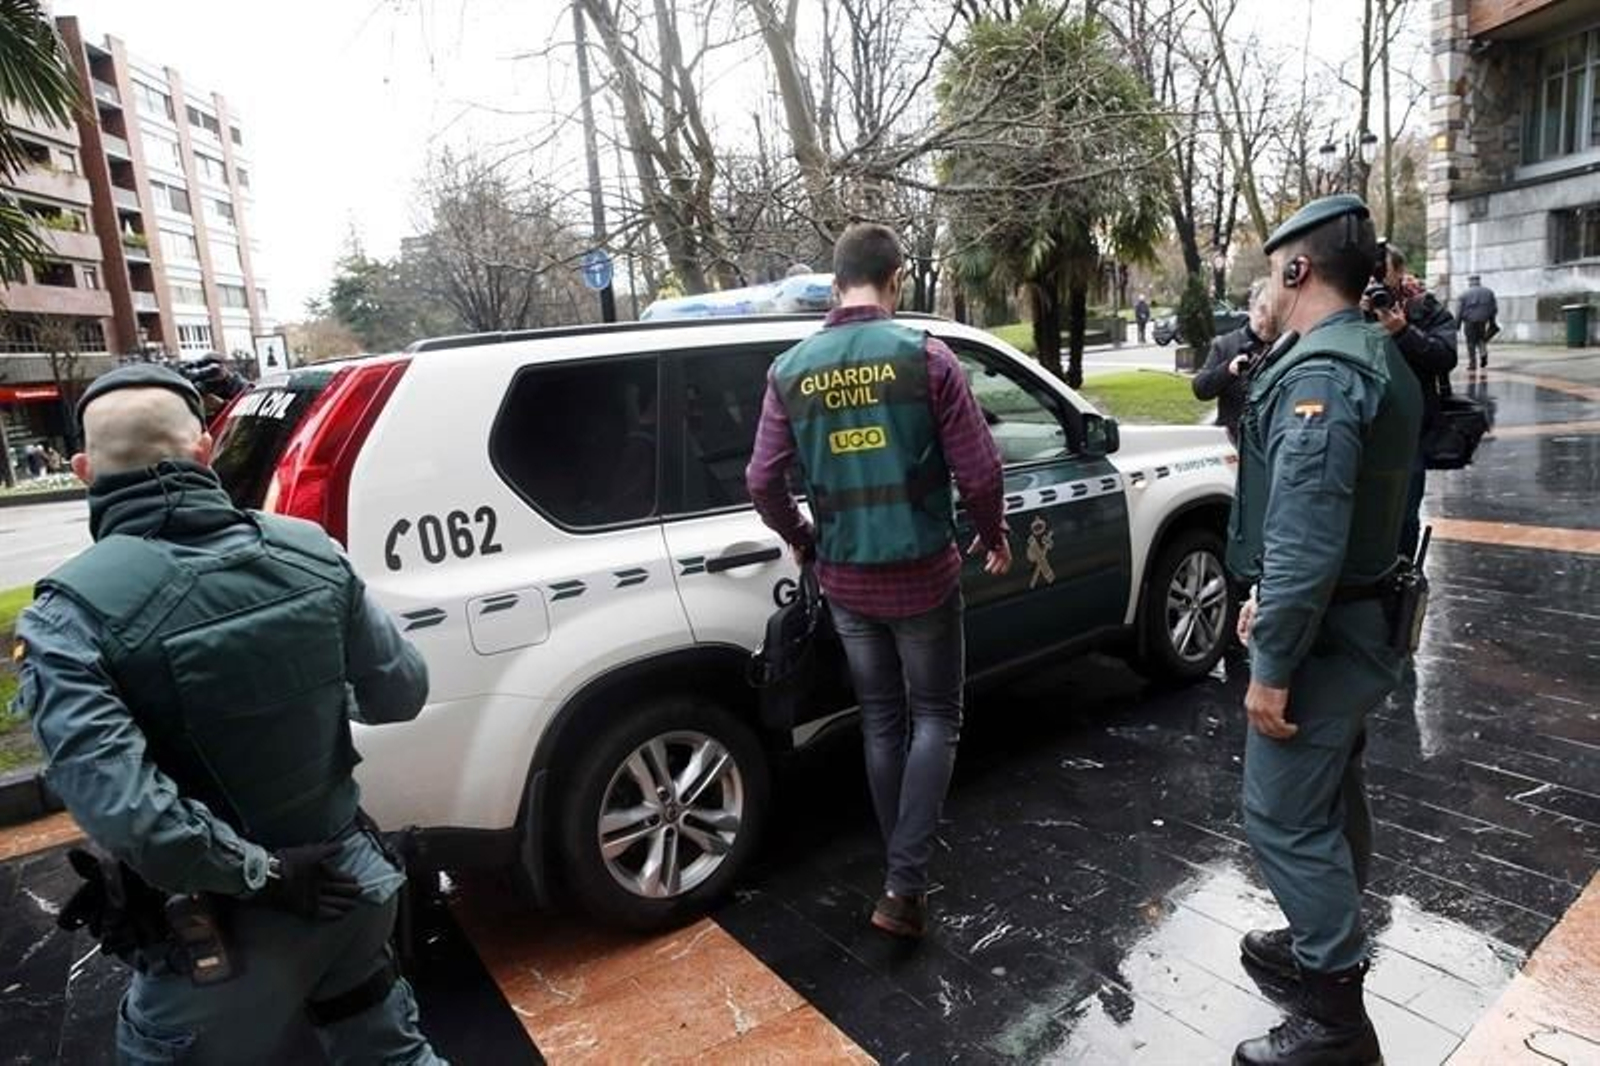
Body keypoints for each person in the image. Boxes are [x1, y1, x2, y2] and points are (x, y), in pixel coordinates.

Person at [11, 364, 443, 1064]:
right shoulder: (312, 550)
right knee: (389, 1051)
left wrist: (266, 874)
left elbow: (139, 822)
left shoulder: (69, 618)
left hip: (226, 942)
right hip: (354, 886)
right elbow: (401, 692)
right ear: (205, 450)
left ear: (84, 470)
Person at [746, 223, 1010, 940]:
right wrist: (993, 535)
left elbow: (762, 480)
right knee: (938, 718)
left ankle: (902, 869)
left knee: (882, 720)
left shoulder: (789, 370)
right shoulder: (926, 357)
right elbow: (981, 470)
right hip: (924, 575)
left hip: (847, 581)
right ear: (896, 280)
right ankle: (904, 881)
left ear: (837, 286)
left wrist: (805, 539)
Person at [1228, 195, 1422, 1066]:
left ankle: (1335, 1021)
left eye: (1274, 270)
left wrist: (1272, 665)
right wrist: (1273, 595)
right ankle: (1320, 936)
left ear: (1298, 268)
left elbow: (1308, 535)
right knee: (1332, 791)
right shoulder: (1371, 352)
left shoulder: (1323, 375)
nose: (1269, 286)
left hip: (1328, 638)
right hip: (1357, 616)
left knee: (1281, 816)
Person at [1363, 244, 1456, 558]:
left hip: (1409, 428)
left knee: (1403, 511)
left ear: (1399, 272)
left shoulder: (1423, 307)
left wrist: (1403, 332)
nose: (1376, 281)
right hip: (1362, 424)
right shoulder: (1350, 306)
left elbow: (1445, 356)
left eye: (1382, 272)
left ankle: (1402, 571)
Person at [1192, 278, 1277, 443]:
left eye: (1275, 312)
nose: (1268, 319)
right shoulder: (1225, 344)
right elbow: (1200, 389)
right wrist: (1228, 370)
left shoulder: (1288, 345)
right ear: (1251, 308)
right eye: (1263, 310)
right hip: (1234, 443)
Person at [1457, 274, 1499, 371]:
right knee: (1481, 339)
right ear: (1479, 281)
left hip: (1469, 321)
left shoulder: (1464, 294)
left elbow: (1459, 311)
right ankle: (1483, 354)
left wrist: (1457, 325)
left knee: (1470, 342)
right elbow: (1494, 309)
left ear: (1470, 282)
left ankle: (1473, 363)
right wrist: (1492, 321)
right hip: (1483, 321)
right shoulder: (1489, 292)